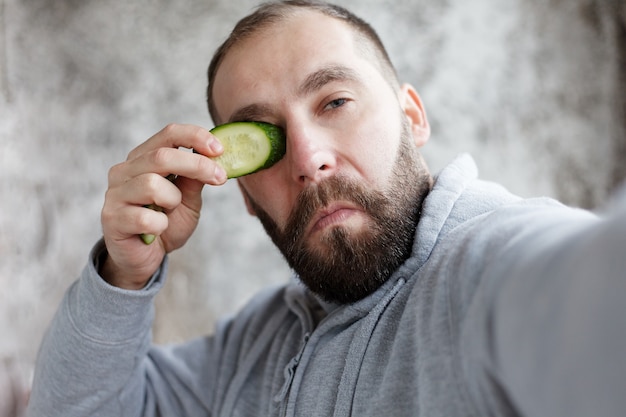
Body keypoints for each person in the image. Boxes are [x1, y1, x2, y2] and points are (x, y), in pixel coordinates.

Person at [27, 1, 626, 416]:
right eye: (264, 136)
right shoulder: (254, 344)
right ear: (240, 189)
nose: (308, 158)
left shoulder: (493, 265)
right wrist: (123, 275)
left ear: (411, 117)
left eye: (335, 100)